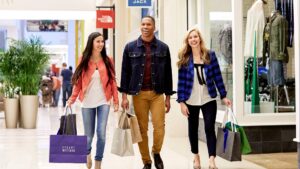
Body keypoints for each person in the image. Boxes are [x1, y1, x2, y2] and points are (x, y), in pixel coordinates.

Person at [119, 16, 174, 169]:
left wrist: (168, 97)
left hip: (157, 94)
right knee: (142, 129)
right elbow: (125, 73)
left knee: (160, 126)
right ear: (140, 26)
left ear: (154, 27)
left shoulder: (163, 48)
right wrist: (124, 96)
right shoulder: (130, 48)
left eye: (148, 24)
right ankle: (146, 161)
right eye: (143, 24)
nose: (145, 27)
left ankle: (156, 152)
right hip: (138, 94)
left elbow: (168, 73)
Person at [176, 28, 232, 169]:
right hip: (191, 100)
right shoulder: (185, 58)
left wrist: (223, 96)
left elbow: (218, 76)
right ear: (187, 41)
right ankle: (196, 156)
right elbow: (181, 82)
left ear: (199, 38)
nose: (193, 39)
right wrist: (182, 102)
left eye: (195, 36)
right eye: (190, 38)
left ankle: (212, 159)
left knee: (209, 128)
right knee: (193, 129)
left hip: (208, 98)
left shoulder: (210, 55)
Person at [67, 32, 119, 169]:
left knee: (101, 133)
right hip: (87, 102)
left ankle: (98, 163)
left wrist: (116, 100)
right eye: (98, 41)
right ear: (91, 42)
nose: (101, 44)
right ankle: (87, 154)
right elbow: (78, 82)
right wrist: (72, 98)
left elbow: (113, 81)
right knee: (88, 136)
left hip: (104, 101)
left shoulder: (108, 60)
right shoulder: (83, 59)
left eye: (102, 41)